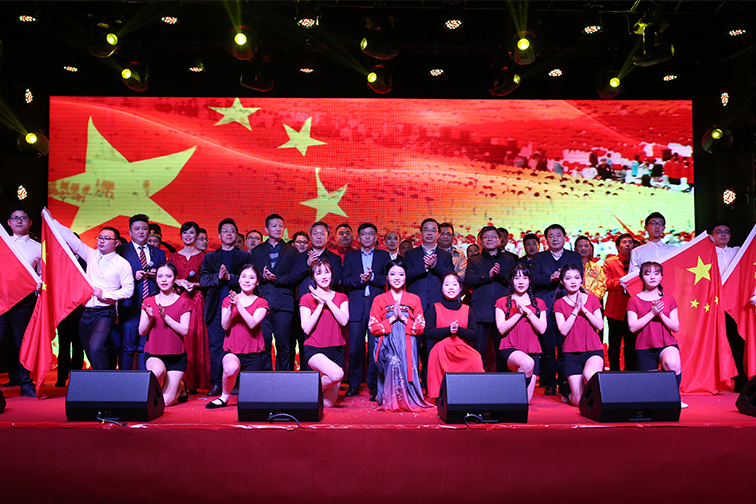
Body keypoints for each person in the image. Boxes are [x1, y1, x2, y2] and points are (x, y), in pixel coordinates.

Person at [50, 217, 134, 371]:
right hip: (86, 312)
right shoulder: (91, 255)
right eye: (100, 237)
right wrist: (51, 220)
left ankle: (104, 380)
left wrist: (105, 294)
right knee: (88, 348)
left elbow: (129, 290)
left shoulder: (122, 264)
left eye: (107, 238)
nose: (102, 241)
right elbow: (71, 239)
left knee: (96, 346)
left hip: (105, 312)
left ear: (116, 243)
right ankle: (102, 376)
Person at [368, 260, 431, 411]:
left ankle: (407, 398)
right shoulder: (379, 299)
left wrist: (403, 318)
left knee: (405, 362)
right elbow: (372, 327)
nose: (397, 278)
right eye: (393, 274)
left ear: (406, 276)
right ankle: (388, 398)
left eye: (401, 274)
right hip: (386, 344)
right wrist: (391, 319)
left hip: (407, 343)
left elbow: (420, 327)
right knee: (393, 362)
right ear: (387, 277)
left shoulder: (414, 299)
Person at [200, 218, 252, 397]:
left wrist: (230, 277)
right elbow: (203, 280)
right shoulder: (210, 257)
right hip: (216, 308)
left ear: (236, 235)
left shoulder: (244, 256)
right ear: (219, 235)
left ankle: (236, 383)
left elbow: (249, 279)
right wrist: (218, 277)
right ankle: (216, 383)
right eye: (225, 231)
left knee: (237, 346)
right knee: (216, 346)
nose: (229, 234)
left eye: (232, 231)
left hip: (238, 308)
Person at [206, 264, 269, 409]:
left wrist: (238, 305)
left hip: (254, 353)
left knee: (252, 400)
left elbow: (252, 323)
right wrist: (231, 306)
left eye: (251, 278)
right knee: (230, 368)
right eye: (244, 277)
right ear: (239, 280)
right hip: (232, 350)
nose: (247, 280)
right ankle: (224, 397)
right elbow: (225, 326)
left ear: (257, 282)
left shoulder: (261, 302)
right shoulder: (228, 300)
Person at [626, 262, 686, 408]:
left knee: (672, 363)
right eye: (647, 273)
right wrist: (652, 313)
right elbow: (632, 327)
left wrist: (661, 315)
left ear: (661, 277)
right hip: (644, 347)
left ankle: (674, 398)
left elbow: (675, 327)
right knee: (650, 392)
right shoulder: (634, 300)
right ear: (641, 278)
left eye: (656, 273)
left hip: (666, 344)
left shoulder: (669, 300)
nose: (652, 277)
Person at [532, 224, 582, 397]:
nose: (555, 239)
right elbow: (534, 279)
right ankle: (549, 382)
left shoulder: (574, 256)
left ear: (564, 238)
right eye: (551, 236)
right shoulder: (539, 257)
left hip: (568, 307)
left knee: (565, 347)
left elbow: (580, 278)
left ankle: (564, 381)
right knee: (547, 349)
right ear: (546, 240)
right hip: (545, 308)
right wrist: (550, 277)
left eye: (558, 235)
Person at [342, 222, 390, 399]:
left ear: (376, 237)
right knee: (355, 348)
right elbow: (344, 280)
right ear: (359, 237)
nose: (367, 237)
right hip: (356, 306)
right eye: (364, 234)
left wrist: (373, 277)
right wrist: (361, 280)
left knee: (375, 349)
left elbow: (389, 278)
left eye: (371, 234)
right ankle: (354, 385)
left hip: (377, 306)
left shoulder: (384, 255)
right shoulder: (351, 257)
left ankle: (374, 385)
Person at [405, 218, 454, 382]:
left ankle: (430, 380)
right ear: (421, 233)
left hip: (436, 306)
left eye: (433, 230)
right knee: (413, 345)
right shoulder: (411, 254)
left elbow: (450, 276)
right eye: (426, 229)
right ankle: (413, 381)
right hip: (415, 307)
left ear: (438, 234)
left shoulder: (445, 255)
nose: (429, 233)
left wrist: (435, 266)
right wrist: (424, 267)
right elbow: (406, 275)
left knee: (432, 346)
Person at [115, 214, 166, 371]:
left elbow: (167, 277)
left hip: (151, 307)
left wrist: (158, 274)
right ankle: (124, 381)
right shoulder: (121, 250)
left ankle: (145, 382)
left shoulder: (159, 253)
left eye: (144, 228)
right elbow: (113, 275)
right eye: (137, 229)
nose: (141, 232)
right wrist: (132, 275)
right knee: (127, 348)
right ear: (130, 232)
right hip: (129, 306)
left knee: (147, 348)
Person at [249, 214, 300, 371]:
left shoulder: (292, 251)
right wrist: (262, 277)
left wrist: (276, 278)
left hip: (284, 303)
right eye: (274, 226)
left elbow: (295, 276)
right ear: (266, 229)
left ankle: (283, 379)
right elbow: (251, 275)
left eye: (280, 226)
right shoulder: (256, 251)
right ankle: (264, 378)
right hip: (262, 303)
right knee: (263, 344)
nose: (278, 229)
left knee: (284, 345)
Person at [138, 262, 191, 406]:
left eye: (168, 276)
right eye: (160, 276)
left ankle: (180, 386)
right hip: (154, 355)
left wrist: (166, 318)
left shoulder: (183, 302)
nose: (164, 280)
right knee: (157, 371)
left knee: (165, 402)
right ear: (156, 279)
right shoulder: (148, 301)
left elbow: (184, 330)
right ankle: (172, 384)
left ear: (175, 279)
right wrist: (149, 318)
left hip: (176, 357)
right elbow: (141, 332)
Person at [292, 221, 343, 371]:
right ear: (310, 236)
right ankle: (306, 378)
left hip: (327, 308)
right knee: (304, 343)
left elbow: (335, 280)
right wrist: (307, 265)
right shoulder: (300, 257)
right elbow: (292, 279)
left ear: (328, 237)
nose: (319, 237)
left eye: (322, 234)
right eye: (315, 234)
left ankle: (328, 375)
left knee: (326, 343)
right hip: (305, 306)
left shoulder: (334, 259)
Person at [1, 208, 41, 396]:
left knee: (22, 344)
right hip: (1, 300)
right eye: (15, 218)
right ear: (8, 222)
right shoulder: (3, 243)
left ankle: (26, 384)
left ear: (30, 222)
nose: (19, 221)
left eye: (23, 218)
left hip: (24, 302)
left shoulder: (38, 247)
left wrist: (39, 283)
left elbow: (42, 275)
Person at [425, 272, 483, 400]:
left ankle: (473, 393)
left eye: (454, 284)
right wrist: (448, 330)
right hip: (441, 350)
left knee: (475, 358)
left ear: (460, 288)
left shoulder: (467, 309)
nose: (450, 288)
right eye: (447, 284)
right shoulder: (434, 308)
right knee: (436, 354)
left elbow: (474, 334)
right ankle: (439, 395)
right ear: (441, 288)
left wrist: (458, 330)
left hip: (461, 349)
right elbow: (428, 332)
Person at [495, 264, 548, 404]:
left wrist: (528, 312)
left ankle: (508, 397)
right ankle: (507, 398)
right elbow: (501, 329)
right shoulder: (502, 302)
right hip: (510, 347)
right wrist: (518, 314)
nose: (521, 281)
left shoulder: (539, 303)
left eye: (524, 278)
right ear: (511, 280)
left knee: (525, 401)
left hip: (532, 349)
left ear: (529, 280)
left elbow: (542, 329)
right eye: (517, 278)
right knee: (527, 363)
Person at [168, 221, 211, 393]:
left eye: (191, 233)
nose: (188, 236)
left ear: (197, 235)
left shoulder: (204, 257)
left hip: (197, 300)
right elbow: (166, 277)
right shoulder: (173, 257)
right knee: (181, 338)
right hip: (178, 299)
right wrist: (177, 281)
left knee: (196, 337)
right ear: (181, 235)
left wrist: (196, 284)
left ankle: (196, 381)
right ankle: (180, 381)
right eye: (185, 232)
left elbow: (208, 280)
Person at [553, 265, 605, 406]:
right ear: (562, 281)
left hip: (593, 350)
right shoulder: (559, 303)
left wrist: (584, 310)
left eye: (576, 278)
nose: (573, 281)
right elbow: (563, 330)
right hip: (571, 353)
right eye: (568, 278)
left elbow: (600, 325)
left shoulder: (592, 299)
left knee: (590, 375)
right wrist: (575, 310)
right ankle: (566, 389)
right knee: (578, 401)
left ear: (581, 279)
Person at [299, 259, 349, 407]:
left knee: (328, 403)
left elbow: (344, 321)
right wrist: (320, 305)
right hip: (315, 349)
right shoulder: (306, 298)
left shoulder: (341, 297)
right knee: (337, 375)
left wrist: (328, 301)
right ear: (313, 277)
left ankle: (308, 392)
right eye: (319, 273)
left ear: (332, 274)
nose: (324, 276)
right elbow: (306, 328)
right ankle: (303, 392)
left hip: (336, 350)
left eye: (327, 272)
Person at [464, 226, 515, 369]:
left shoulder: (509, 259)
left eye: (493, 236)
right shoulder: (474, 260)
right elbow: (468, 280)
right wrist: (488, 275)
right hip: (481, 310)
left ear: (499, 240)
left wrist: (499, 274)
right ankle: (478, 376)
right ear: (480, 241)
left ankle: (504, 378)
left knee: (503, 349)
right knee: (478, 349)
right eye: (486, 237)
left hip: (504, 311)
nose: (490, 239)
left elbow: (514, 281)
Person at [712, 223, 747, 391]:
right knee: (713, 342)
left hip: (734, 304)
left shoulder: (737, 251)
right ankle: (713, 382)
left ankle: (740, 381)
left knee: (736, 341)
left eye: (726, 232)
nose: (723, 235)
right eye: (719, 232)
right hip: (712, 305)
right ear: (712, 236)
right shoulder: (706, 253)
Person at [603, 233, 635, 371]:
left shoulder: (638, 261)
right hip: (615, 310)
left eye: (630, 242)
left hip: (633, 310)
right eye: (624, 242)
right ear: (617, 247)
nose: (627, 245)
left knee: (631, 344)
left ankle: (631, 372)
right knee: (614, 345)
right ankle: (614, 372)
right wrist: (622, 282)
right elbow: (605, 284)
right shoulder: (610, 263)